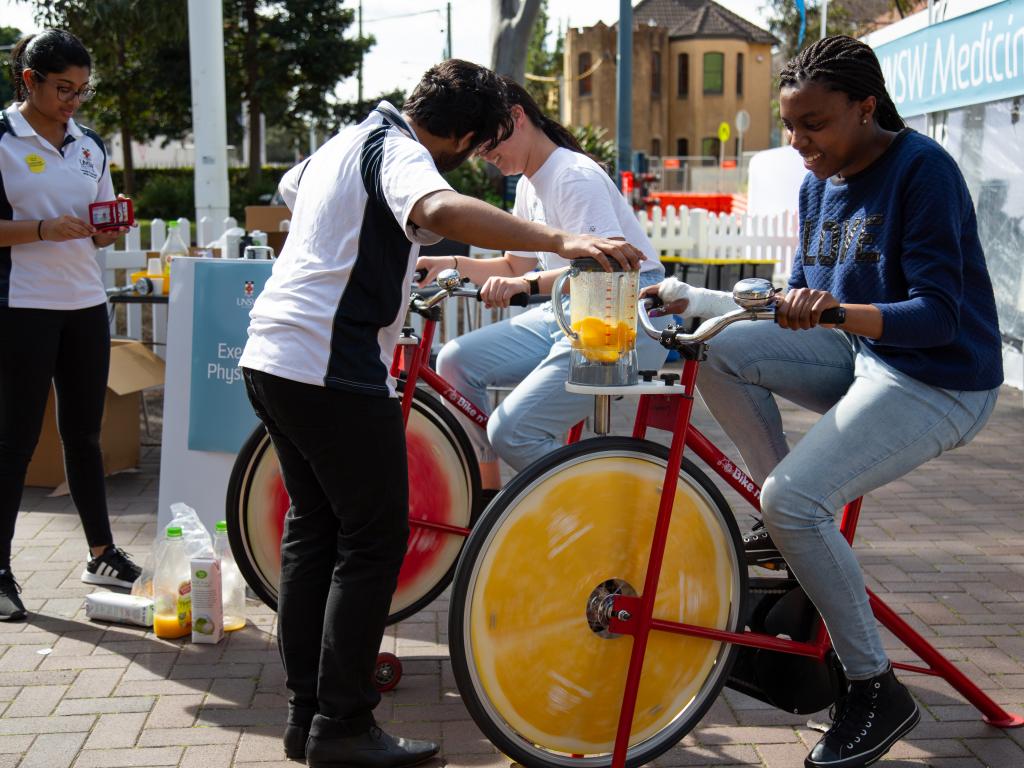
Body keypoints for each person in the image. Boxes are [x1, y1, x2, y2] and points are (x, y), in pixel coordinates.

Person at [238, 59, 644, 768]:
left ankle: (309, 717)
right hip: (328, 368)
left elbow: (290, 186)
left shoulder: (350, 138)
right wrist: (561, 242)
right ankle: (343, 724)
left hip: (271, 358)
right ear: (456, 134)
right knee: (371, 543)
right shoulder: (399, 150)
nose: (471, 165)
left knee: (315, 535)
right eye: (470, 149)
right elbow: (432, 209)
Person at [648, 35, 1002, 768]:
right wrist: (694, 298)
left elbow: (940, 315)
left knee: (797, 497)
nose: (798, 142)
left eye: (814, 125)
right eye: (789, 125)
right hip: (862, 357)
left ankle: (876, 691)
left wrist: (837, 312)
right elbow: (793, 303)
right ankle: (783, 522)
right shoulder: (818, 185)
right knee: (708, 339)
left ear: (865, 108)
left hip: (940, 379)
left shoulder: (922, 170)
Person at [416, 78, 668, 492]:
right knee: (455, 362)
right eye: (478, 147)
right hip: (566, 311)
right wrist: (446, 264)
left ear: (517, 117)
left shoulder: (573, 176)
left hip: (622, 316)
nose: (484, 154)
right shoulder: (530, 184)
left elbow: (604, 267)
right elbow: (516, 263)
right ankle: (485, 494)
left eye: (487, 142)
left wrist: (526, 284)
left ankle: (596, 512)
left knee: (512, 430)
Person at [0, 29, 141, 622]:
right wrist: (38, 230)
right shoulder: (2, 138)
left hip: (85, 302)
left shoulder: (90, 144)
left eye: (82, 90)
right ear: (28, 80)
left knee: (85, 437)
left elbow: (98, 219)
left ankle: (101, 553)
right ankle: (0, 570)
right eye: (63, 89)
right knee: (15, 440)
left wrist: (109, 229)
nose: (73, 102)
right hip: (21, 307)